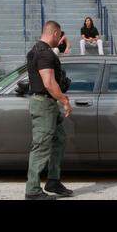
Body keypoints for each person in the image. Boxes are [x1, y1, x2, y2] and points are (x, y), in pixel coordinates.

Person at [24, 20, 73, 200]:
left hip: (47, 103)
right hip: (44, 104)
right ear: (54, 33)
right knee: (41, 145)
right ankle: (32, 190)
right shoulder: (45, 53)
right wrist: (65, 100)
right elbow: (48, 82)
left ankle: (53, 180)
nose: (60, 40)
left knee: (59, 139)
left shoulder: (35, 50)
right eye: (59, 36)